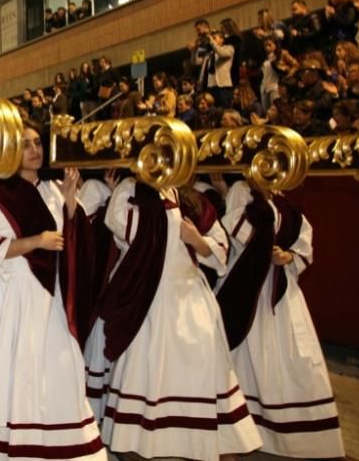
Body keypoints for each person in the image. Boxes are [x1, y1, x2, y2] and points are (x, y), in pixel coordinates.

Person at [87, 175, 261, 459]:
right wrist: (152, 199)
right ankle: (142, 441)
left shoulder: (190, 198)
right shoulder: (130, 190)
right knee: (149, 366)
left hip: (190, 294)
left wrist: (196, 240)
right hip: (144, 294)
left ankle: (206, 437)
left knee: (201, 364)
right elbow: (124, 230)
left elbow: (219, 246)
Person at [0, 122, 104, 459]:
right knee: (20, 372)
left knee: (61, 368)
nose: (35, 150)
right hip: (16, 296)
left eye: (38, 143)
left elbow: (78, 243)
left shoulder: (54, 189)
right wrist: (34, 242)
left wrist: (69, 202)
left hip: (52, 296)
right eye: (25, 144)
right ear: (10, 149)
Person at [218, 182, 345, 458]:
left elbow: (303, 236)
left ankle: (289, 434)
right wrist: (266, 250)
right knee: (245, 352)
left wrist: (289, 256)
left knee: (292, 358)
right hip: (247, 285)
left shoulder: (284, 202)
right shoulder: (242, 189)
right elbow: (236, 226)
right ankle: (240, 427)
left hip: (281, 294)